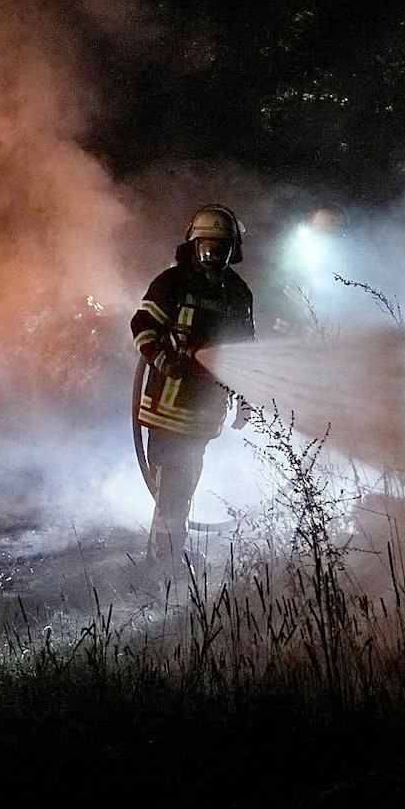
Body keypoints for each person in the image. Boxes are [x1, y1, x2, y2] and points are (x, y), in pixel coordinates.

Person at [130, 205, 256, 569]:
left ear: (234, 249)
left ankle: (166, 552)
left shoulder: (238, 292)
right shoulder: (173, 283)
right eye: (208, 245)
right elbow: (142, 325)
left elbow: (246, 350)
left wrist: (245, 398)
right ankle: (163, 563)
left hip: (205, 413)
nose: (214, 253)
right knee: (175, 488)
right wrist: (163, 358)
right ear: (194, 243)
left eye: (222, 247)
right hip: (168, 409)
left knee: (182, 488)